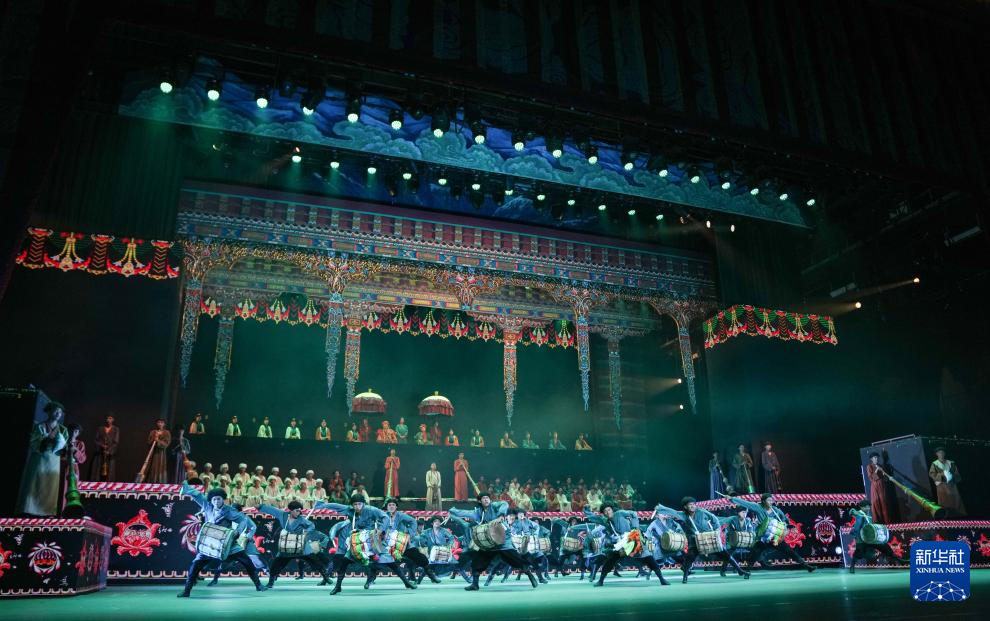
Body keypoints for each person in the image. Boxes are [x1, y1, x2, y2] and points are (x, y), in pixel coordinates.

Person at [176, 482, 266, 597]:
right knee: (195, 565)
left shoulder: (229, 510)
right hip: (210, 543)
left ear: (223, 499)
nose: (216, 502)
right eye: (214, 499)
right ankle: (187, 591)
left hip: (228, 543)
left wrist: (238, 531)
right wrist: (187, 488)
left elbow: (243, 520)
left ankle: (258, 585)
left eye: (219, 499)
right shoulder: (208, 506)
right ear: (211, 500)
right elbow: (198, 495)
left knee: (247, 562)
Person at [448, 492, 540, 591]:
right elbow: (464, 513)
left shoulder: (495, 506)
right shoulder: (478, 512)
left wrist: (501, 515)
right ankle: (475, 584)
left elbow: (504, 504)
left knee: (516, 559)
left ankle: (529, 574)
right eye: (484, 498)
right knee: (477, 561)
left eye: (487, 498)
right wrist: (453, 510)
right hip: (490, 542)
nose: (486, 500)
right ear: (480, 501)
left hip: (503, 540)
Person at [314, 493, 395, 594]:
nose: (357, 507)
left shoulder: (371, 510)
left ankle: (372, 578)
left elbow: (385, 517)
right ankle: (337, 586)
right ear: (352, 505)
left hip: (370, 540)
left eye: (359, 504)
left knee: (379, 560)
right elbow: (335, 506)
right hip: (357, 540)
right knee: (343, 561)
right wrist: (322, 505)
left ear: (363, 504)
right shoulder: (350, 510)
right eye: (355, 504)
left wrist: (380, 530)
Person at [654, 497, 748, 582]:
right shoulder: (683, 515)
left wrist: (716, 530)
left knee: (725, 554)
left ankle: (740, 570)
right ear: (685, 507)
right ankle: (685, 576)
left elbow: (714, 519)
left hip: (709, 537)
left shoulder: (702, 511)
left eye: (693, 504)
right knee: (690, 558)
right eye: (690, 505)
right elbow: (673, 512)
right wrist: (660, 508)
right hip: (695, 540)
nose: (692, 506)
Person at [582, 502, 670, 586]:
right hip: (621, 544)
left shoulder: (619, 513)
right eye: (605, 511)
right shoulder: (605, 520)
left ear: (612, 510)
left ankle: (662, 579)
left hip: (632, 538)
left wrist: (635, 527)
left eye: (609, 510)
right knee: (611, 560)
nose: (607, 512)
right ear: (603, 513)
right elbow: (594, 517)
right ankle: (601, 581)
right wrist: (586, 510)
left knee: (649, 558)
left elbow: (633, 514)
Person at [725, 492, 816, 572]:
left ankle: (806, 566)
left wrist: (785, 523)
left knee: (790, 551)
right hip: (763, 538)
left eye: (771, 500)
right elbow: (745, 503)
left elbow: (784, 519)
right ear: (763, 501)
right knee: (755, 554)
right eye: (768, 500)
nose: (771, 502)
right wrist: (732, 499)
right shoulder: (758, 507)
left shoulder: (776, 510)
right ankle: (746, 571)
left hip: (775, 538)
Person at [260, 500, 332, 588]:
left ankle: (326, 577)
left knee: (314, 560)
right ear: (291, 510)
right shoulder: (283, 515)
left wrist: (306, 531)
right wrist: (260, 507)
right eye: (297, 510)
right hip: (287, 544)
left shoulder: (301, 519)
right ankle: (270, 582)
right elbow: (272, 510)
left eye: (299, 511)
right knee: (276, 563)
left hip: (300, 545)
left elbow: (311, 525)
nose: (298, 513)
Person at [848, 500, 908, 573]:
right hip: (861, 539)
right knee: (858, 553)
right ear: (861, 507)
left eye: (869, 507)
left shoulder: (867, 515)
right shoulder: (860, 515)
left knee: (885, 548)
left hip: (871, 538)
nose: (868, 508)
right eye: (866, 507)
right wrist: (854, 531)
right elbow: (857, 525)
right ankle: (852, 566)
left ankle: (901, 561)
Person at [929, 447, 966, 516]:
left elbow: (957, 475)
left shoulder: (951, 463)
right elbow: (932, 474)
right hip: (942, 487)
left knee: (956, 503)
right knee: (944, 503)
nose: (941, 454)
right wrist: (942, 475)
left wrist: (951, 476)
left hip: (952, 486)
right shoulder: (934, 464)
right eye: (939, 453)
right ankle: (946, 516)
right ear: (936, 454)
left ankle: (958, 516)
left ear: (944, 453)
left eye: (942, 452)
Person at [61, 422, 86, 504]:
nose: (73, 433)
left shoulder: (80, 444)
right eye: (71, 430)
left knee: (72, 487)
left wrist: (75, 450)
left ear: (78, 433)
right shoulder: (63, 441)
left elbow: (82, 459)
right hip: (63, 467)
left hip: (74, 468)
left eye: (76, 431)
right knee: (62, 488)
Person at [91, 414, 119, 481]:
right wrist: (102, 446)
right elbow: (96, 440)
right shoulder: (100, 429)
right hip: (100, 452)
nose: (108, 420)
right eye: (107, 418)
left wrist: (109, 451)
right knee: (98, 470)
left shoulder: (116, 429)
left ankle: (108, 484)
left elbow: (116, 442)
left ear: (113, 420)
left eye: (110, 418)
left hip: (109, 454)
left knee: (109, 471)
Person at [866, 453, 891, 523]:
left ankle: (887, 521)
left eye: (877, 457)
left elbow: (885, 478)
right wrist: (877, 469)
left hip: (882, 486)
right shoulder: (869, 466)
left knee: (884, 502)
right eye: (875, 457)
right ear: (871, 459)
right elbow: (871, 478)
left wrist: (883, 473)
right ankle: (878, 521)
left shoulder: (880, 466)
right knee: (876, 504)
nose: (876, 459)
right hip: (875, 486)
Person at [146, 419, 171, 484]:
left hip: (161, 453)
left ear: (164, 424)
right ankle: (151, 481)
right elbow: (149, 442)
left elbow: (166, 443)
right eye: (158, 422)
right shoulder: (153, 432)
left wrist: (158, 441)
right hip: (153, 452)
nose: (160, 424)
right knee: (152, 466)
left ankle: (159, 482)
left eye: (162, 422)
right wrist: (154, 438)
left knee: (160, 466)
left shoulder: (166, 432)